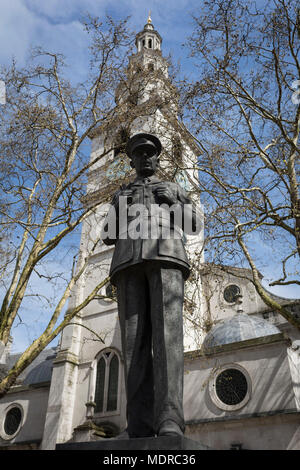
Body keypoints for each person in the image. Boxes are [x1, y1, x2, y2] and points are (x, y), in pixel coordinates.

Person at [102, 133, 200, 438]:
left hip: (167, 257)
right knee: (133, 347)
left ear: (158, 158)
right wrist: (118, 207)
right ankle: (139, 424)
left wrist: (173, 201)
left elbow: (194, 224)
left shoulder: (172, 187)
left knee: (168, 340)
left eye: (150, 154)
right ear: (132, 161)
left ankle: (170, 419)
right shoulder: (122, 193)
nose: (145, 158)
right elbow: (107, 234)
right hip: (128, 263)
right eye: (139, 155)